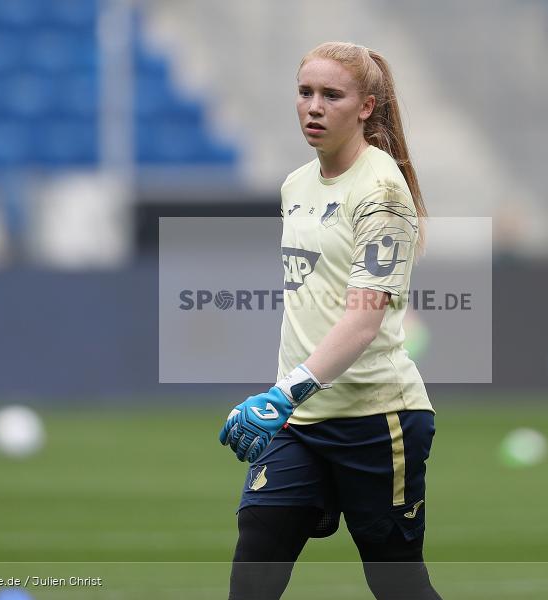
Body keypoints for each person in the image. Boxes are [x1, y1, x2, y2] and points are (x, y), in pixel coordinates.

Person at [218, 42, 442, 600]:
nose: (313, 107)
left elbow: (362, 323)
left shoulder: (382, 191)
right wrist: (289, 400)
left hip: (376, 417)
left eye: (331, 95)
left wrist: (281, 394)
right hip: (299, 422)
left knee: (397, 584)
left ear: (366, 107)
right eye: (304, 93)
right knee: (253, 573)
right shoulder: (295, 185)